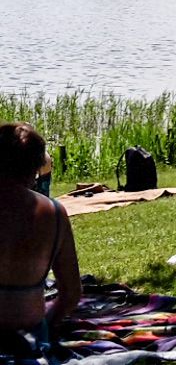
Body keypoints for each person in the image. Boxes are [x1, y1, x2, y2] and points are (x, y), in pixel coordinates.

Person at [0, 122, 82, 346]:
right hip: (30, 336)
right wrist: (48, 320)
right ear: (35, 168)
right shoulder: (54, 213)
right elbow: (72, 294)